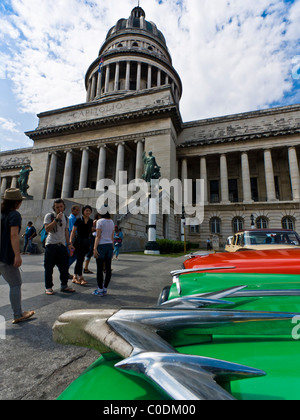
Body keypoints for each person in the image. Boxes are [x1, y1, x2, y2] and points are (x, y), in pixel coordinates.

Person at [0, 188, 35, 324]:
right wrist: (17, 255)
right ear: (17, 202)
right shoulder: (14, 215)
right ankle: (18, 314)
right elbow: (13, 235)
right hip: (5, 256)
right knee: (15, 284)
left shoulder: (1, 214)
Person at [43, 198, 75, 295]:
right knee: (49, 267)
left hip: (61, 245)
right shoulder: (49, 216)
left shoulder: (66, 217)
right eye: (57, 207)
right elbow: (47, 229)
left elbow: (66, 231)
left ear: (64, 206)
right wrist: (56, 219)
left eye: (61, 206)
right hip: (51, 245)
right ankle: (48, 287)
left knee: (64, 267)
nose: (59, 209)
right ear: (54, 207)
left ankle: (64, 285)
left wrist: (69, 243)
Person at [93, 207, 114, 297]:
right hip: (109, 245)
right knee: (108, 268)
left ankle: (99, 289)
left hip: (101, 245)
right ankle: (105, 288)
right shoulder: (112, 222)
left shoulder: (100, 221)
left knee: (100, 269)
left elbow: (98, 236)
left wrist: (94, 248)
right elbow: (112, 236)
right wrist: (112, 248)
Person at [70, 205, 93, 286]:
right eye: (86, 210)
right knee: (80, 259)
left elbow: (90, 231)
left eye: (89, 211)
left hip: (86, 242)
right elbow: (73, 231)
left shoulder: (91, 221)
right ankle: (80, 277)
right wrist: (70, 241)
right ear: (83, 211)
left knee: (80, 259)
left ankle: (75, 277)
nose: (88, 212)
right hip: (79, 242)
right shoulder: (79, 220)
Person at [68, 205, 81, 270]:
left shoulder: (74, 218)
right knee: (73, 255)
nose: (78, 211)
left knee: (74, 255)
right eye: (77, 210)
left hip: (73, 239)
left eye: (79, 210)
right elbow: (72, 230)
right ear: (72, 210)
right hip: (72, 240)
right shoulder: (72, 218)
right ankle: (65, 269)